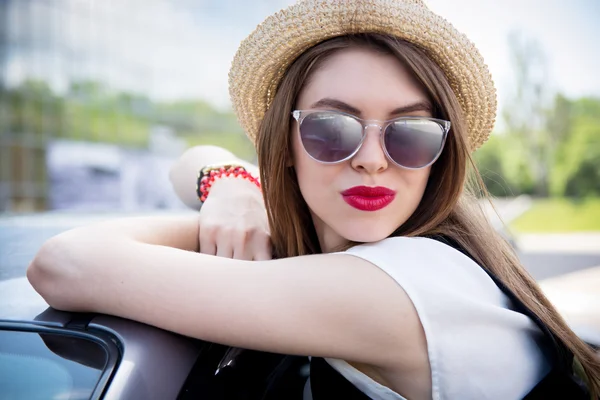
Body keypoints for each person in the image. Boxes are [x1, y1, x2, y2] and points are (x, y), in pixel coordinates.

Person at [28, 0, 599, 399]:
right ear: (286, 146)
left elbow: (64, 263)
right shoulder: (405, 261)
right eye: (332, 129)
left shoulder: (404, 284)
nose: (373, 158)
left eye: (411, 134)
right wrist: (228, 185)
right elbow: (189, 162)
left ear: (439, 156)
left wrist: (254, 196)